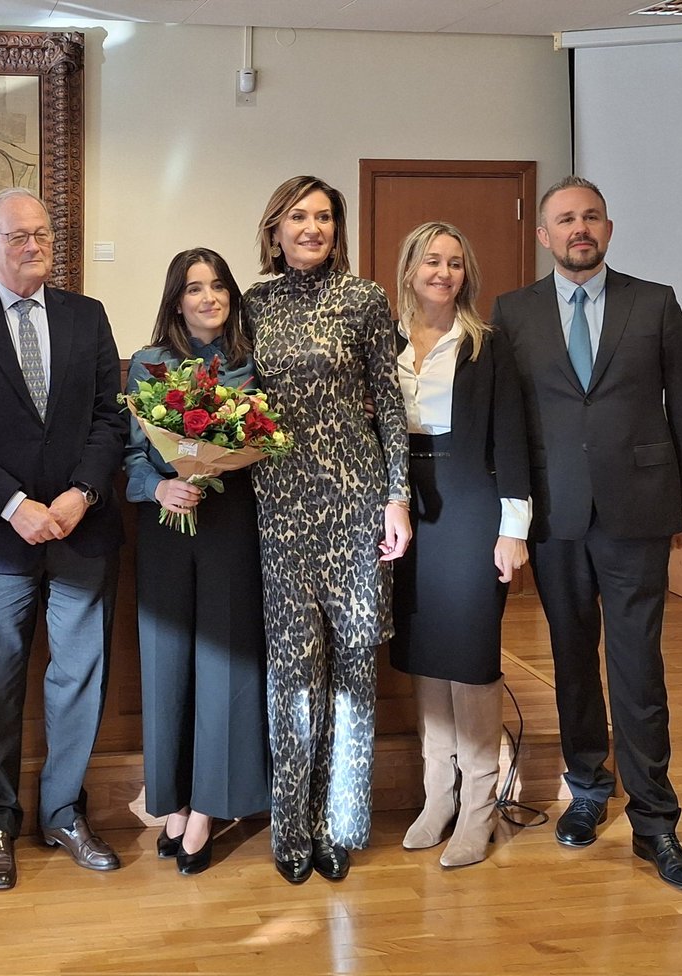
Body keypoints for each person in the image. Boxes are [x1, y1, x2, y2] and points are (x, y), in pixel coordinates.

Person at [491, 176, 682, 890]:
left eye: (590, 217)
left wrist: (680, 500)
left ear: (608, 230)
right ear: (544, 235)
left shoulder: (655, 302)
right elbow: (507, 421)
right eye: (565, 219)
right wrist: (515, 517)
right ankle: (587, 787)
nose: (578, 228)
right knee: (571, 660)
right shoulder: (513, 312)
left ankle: (656, 821)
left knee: (637, 667)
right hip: (555, 517)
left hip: (637, 515)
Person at [0, 188, 127, 891]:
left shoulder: (87, 315)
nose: (33, 245)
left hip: (81, 532)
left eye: (41, 233)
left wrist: (81, 493)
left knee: (79, 679)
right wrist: (15, 506)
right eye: (17, 236)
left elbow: (111, 417)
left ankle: (65, 812)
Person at [244, 175, 412, 885]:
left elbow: (390, 404)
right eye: (298, 216)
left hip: (355, 504)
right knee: (293, 675)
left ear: (337, 230)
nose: (311, 227)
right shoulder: (251, 305)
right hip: (280, 507)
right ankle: (291, 827)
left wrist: (397, 498)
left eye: (323, 217)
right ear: (275, 229)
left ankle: (338, 824)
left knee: (353, 672)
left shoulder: (364, 298)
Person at [124, 248, 271, 876]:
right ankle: (174, 800)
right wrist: (159, 486)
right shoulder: (148, 363)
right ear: (176, 300)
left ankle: (209, 806)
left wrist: (212, 467)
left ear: (232, 296)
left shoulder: (253, 365)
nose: (208, 297)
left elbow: (267, 445)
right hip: (165, 525)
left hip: (229, 525)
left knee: (223, 664)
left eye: (218, 286)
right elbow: (133, 453)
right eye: (194, 288)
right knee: (166, 666)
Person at [388, 222, 530, 868]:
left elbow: (512, 438)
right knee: (426, 651)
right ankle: (437, 796)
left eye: (454, 263)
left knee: (470, 656)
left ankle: (479, 805)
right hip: (406, 507)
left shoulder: (487, 345)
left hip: (472, 507)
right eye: (431, 261)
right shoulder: (385, 340)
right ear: (409, 269)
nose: (443, 272)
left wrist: (513, 529)